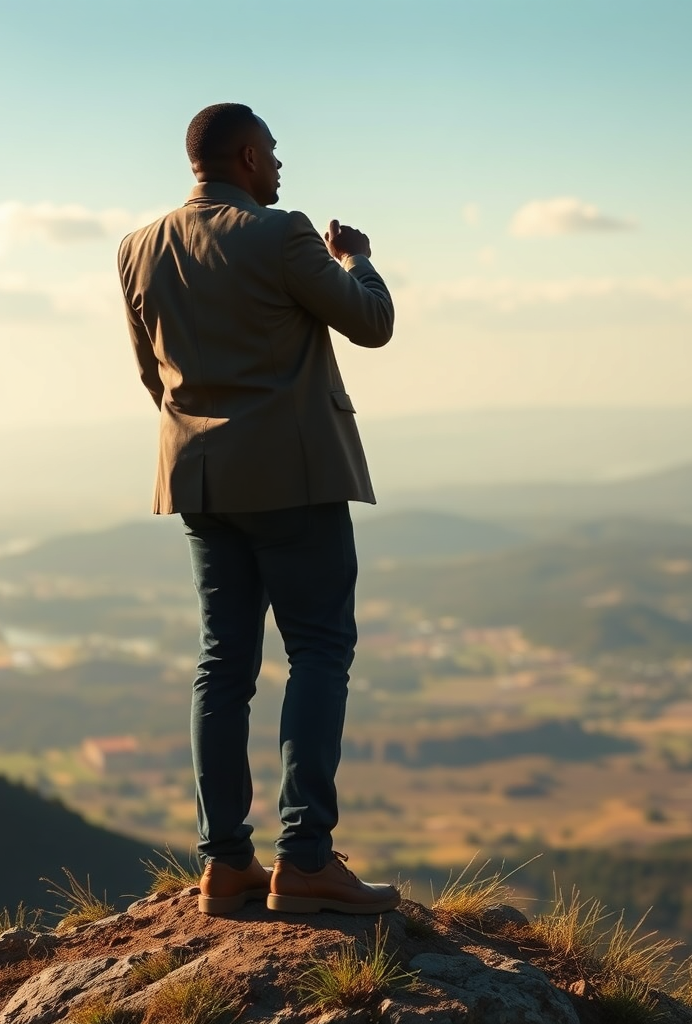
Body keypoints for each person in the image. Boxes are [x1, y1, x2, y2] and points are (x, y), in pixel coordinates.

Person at [117, 103, 399, 916]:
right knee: (317, 650)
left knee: (223, 664)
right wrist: (361, 262)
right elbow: (371, 324)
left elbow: (151, 373)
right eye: (273, 154)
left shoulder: (138, 248)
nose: (280, 169)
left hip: (200, 481)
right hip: (294, 479)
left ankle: (224, 863)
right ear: (245, 156)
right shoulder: (283, 234)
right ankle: (305, 858)